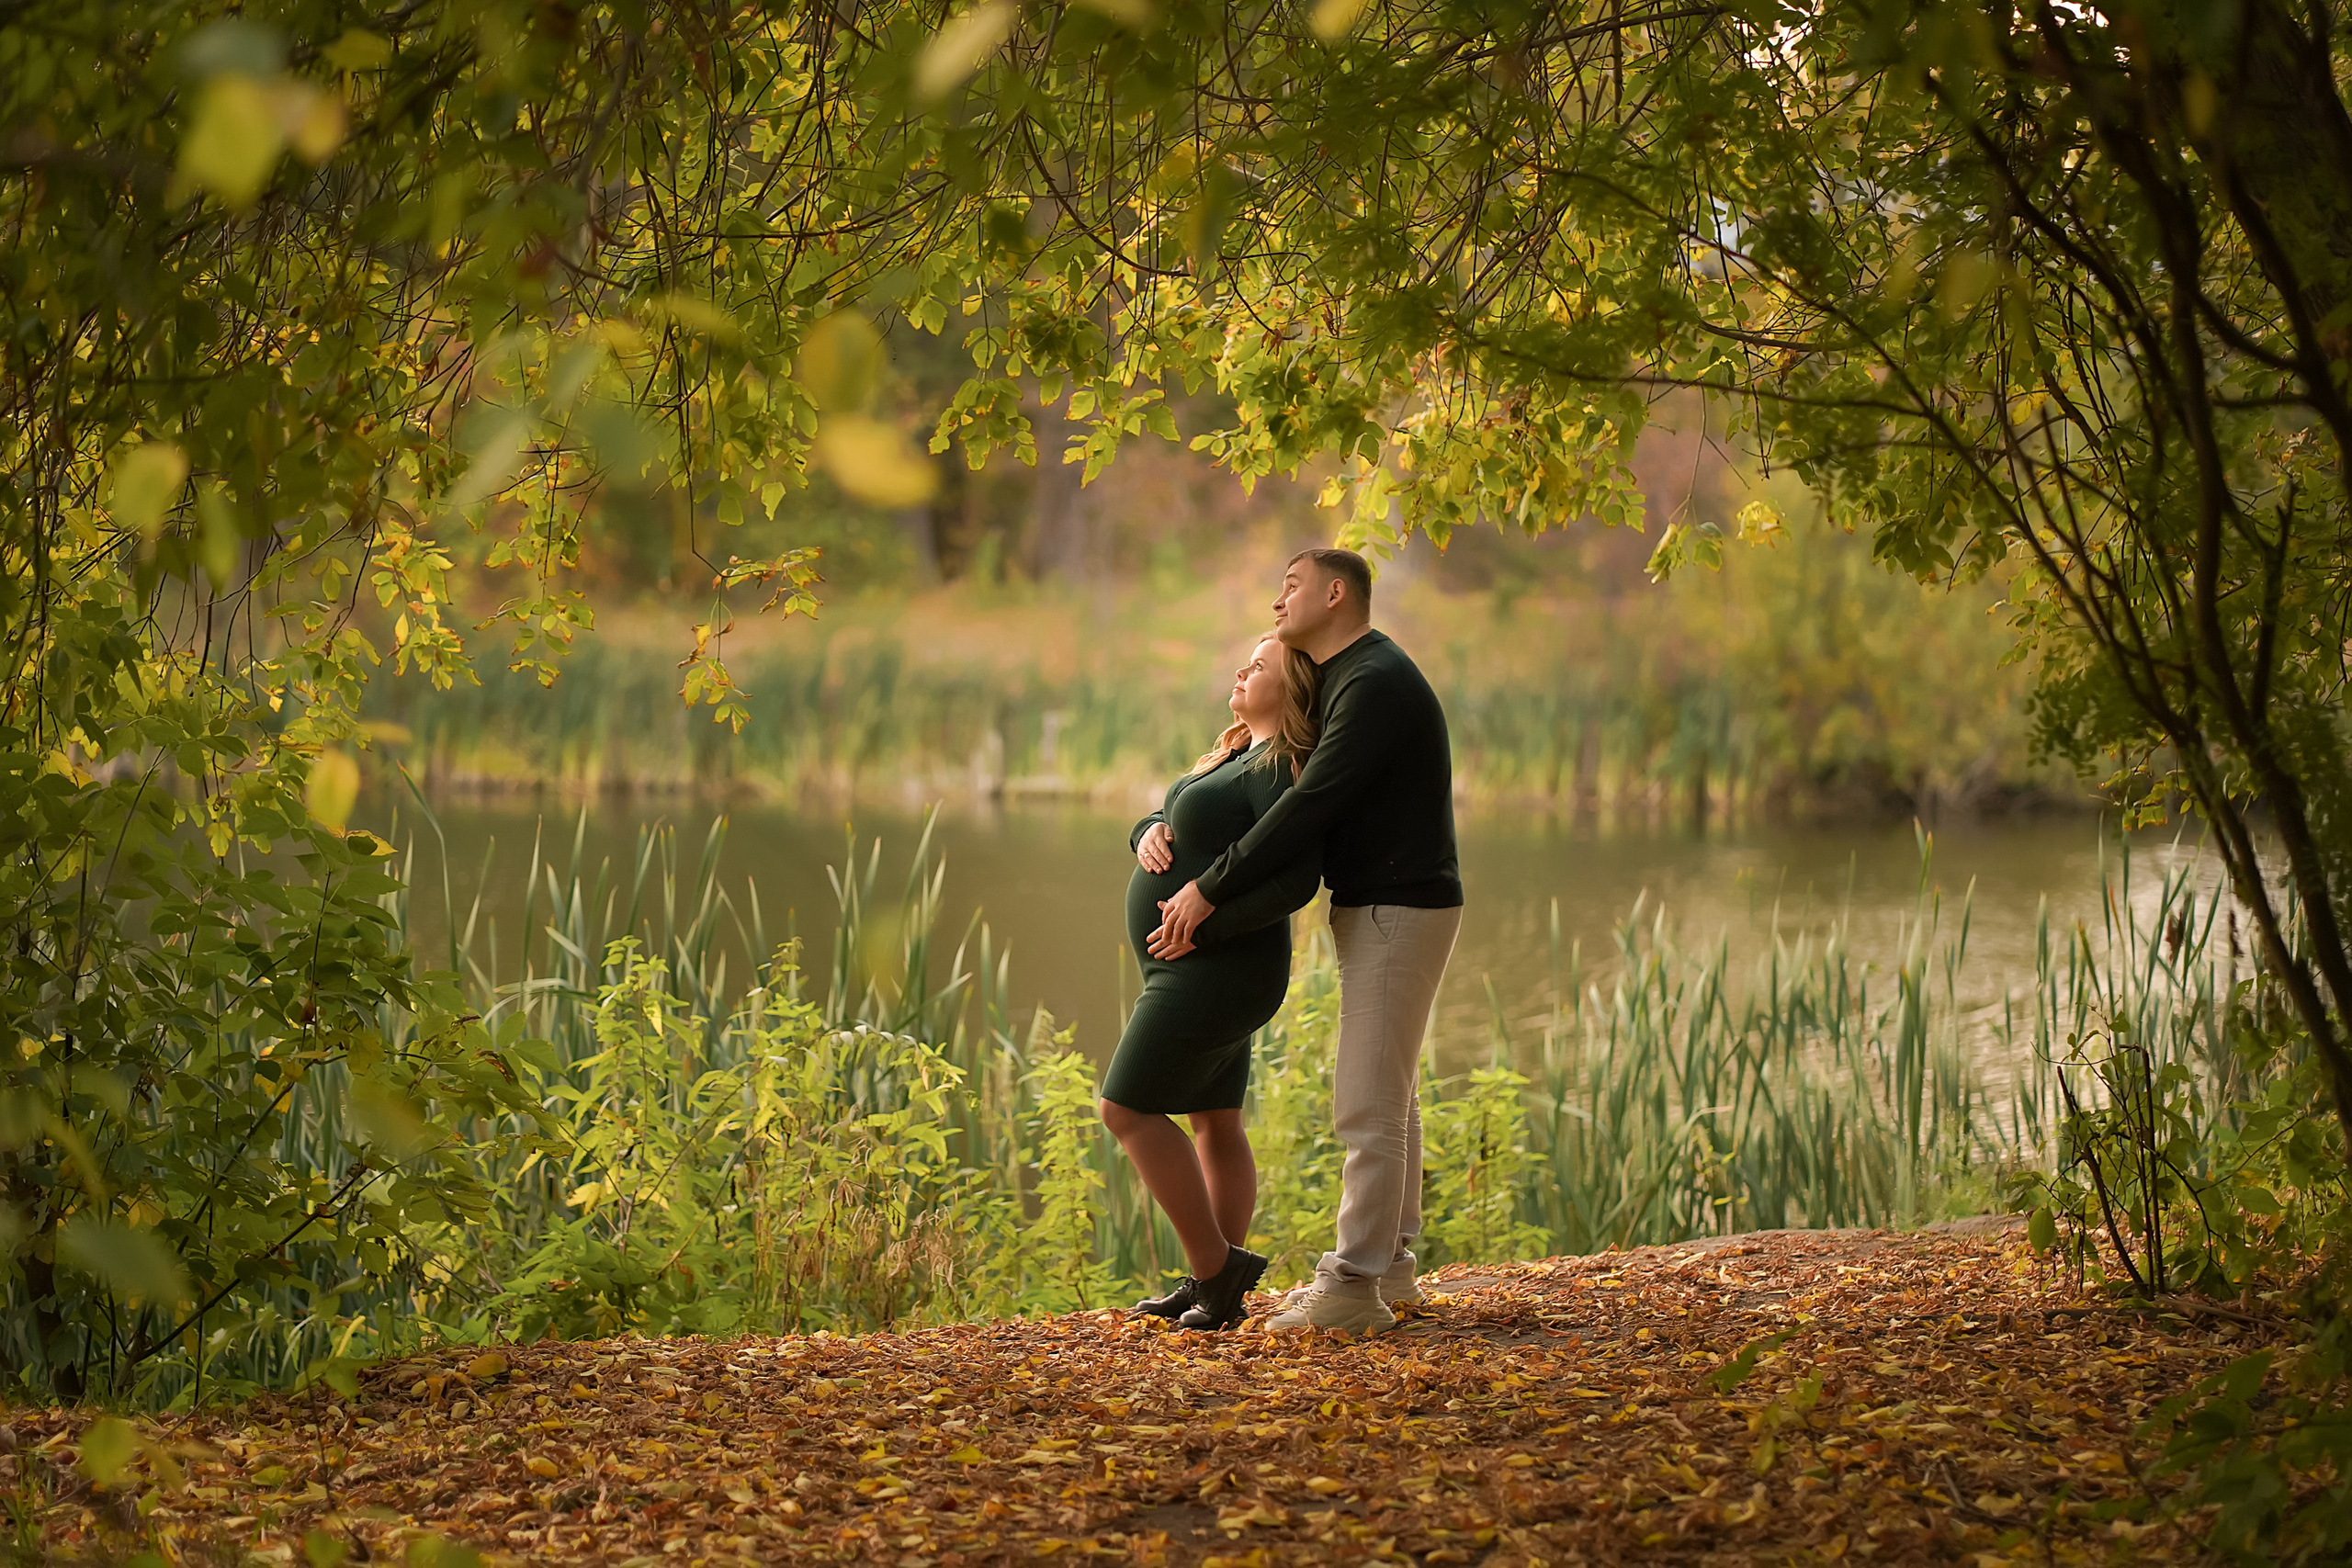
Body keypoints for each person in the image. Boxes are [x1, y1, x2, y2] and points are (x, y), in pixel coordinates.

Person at [1149, 547, 1462, 1335]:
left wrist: (1209, 884)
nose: (1279, 597)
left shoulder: (1375, 680)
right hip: (1385, 902)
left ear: (1334, 593)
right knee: (1393, 1096)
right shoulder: (1352, 679)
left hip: (1400, 903)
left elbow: (1312, 802)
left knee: (1368, 1103)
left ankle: (1352, 1284)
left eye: (1291, 585)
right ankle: (1390, 1270)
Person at [1100, 632, 1325, 1331]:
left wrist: (1207, 924)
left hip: (1219, 967)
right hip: (1198, 964)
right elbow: (1176, 819)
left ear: (1289, 690)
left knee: (1126, 1108)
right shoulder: (1236, 753)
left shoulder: (1282, 767)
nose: (1240, 669)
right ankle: (1213, 1289)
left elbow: (1296, 879)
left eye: (1258, 666)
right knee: (1214, 1119)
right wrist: (1145, 829)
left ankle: (1215, 1270)